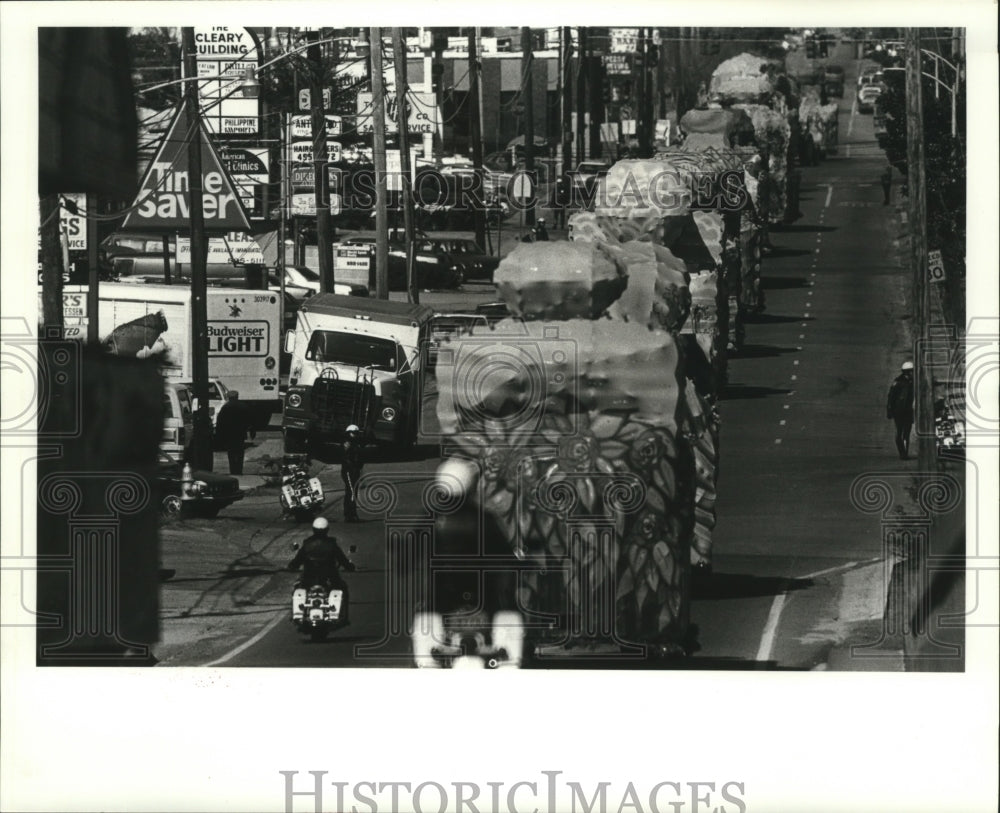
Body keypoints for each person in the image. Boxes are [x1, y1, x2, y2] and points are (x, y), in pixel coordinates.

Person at [288, 517, 356, 623]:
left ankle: (295, 614)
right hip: (329, 577)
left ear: (313, 529)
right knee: (343, 588)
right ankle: (344, 617)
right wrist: (350, 567)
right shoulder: (332, 544)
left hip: (308, 577)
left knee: (297, 587)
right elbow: (342, 559)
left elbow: (298, 559)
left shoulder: (307, 543)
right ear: (327, 529)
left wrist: (292, 566)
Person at [214, 390, 251, 475]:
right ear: (237, 397)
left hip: (229, 434)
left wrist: (219, 434)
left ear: (229, 397)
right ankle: (239, 469)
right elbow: (249, 419)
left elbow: (220, 422)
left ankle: (233, 470)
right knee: (240, 452)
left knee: (231, 453)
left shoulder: (225, 407)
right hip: (240, 433)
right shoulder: (243, 406)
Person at [886, 361, 915, 459]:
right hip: (899, 411)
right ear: (906, 372)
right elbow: (891, 397)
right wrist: (889, 410)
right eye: (911, 371)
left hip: (909, 411)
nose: (913, 373)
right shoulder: (898, 382)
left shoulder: (914, 382)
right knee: (899, 432)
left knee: (906, 433)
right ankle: (902, 452)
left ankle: (904, 453)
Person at [341, 424, 365, 522]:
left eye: (356, 433)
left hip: (355, 471)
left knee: (352, 492)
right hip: (348, 470)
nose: (354, 435)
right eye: (353, 433)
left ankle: (349, 514)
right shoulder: (346, 443)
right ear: (348, 433)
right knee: (351, 492)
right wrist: (352, 466)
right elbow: (345, 457)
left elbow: (360, 458)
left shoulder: (357, 444)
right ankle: (351, 515)